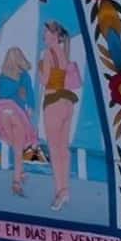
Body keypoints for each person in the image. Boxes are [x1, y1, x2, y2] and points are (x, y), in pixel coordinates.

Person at [39, 22, 83, 211]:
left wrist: (39, 69)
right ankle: (66, 190)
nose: (43, 35)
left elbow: (45, 80)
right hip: (67, 103)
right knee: (64, 149)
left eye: (46, 32)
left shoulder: (48, 54)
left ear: (54, 34)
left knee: (55, 151)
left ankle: (60, 192)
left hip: (53, 102)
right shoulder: (65, 52)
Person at [0, 48, 38, 196]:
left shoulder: (3, 76)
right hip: (16, 112)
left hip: (1, 111)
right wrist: (29, 106)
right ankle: (16, 182)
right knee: (18, 149)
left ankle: (21, 172)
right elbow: (29, 95)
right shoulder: (24, 75)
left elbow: (1, 96)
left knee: (14, 145)